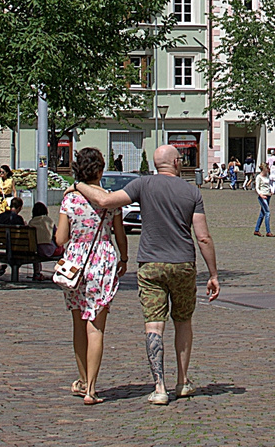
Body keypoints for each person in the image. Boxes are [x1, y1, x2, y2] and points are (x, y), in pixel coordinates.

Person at [73, 144, 219, 407]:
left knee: (154, 324)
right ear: (176, 163)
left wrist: (78, 185)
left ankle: (159, 387)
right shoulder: (192, 191)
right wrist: (213, 273)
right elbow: (204, 237)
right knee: (183, 321)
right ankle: (183, 381)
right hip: (183, 263)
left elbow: (105, 201)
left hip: (150, 264)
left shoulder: (143, 185)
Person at [55, 148, 128, 406]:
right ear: (100, 170)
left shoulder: (70, 199)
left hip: (75, 262)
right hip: (102, 259)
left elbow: (60, 238)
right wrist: (124, 258)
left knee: (78, 323)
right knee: (95, 324)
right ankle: (92, 390)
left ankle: (83, 379)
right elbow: (120, 235)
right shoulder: (109, 199)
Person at [29, 201, 57, 282]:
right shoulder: (49, 221)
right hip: (50, 249)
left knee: (34, 251)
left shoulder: (32, 222)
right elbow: (55, 234)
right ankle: (58, 272)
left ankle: (37, 273)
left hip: (36, 250)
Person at [253, 163, 274, 237]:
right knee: (267, 213)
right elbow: (257, 187)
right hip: (262, 196)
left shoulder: (267, 176)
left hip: (268, 195)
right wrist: (261, 195)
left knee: (262, 214)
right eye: (267, 169)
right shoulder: (259, 177)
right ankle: (268, 231)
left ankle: (256, 230)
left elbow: (269, 184)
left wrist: (271, 190)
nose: (268, 170)